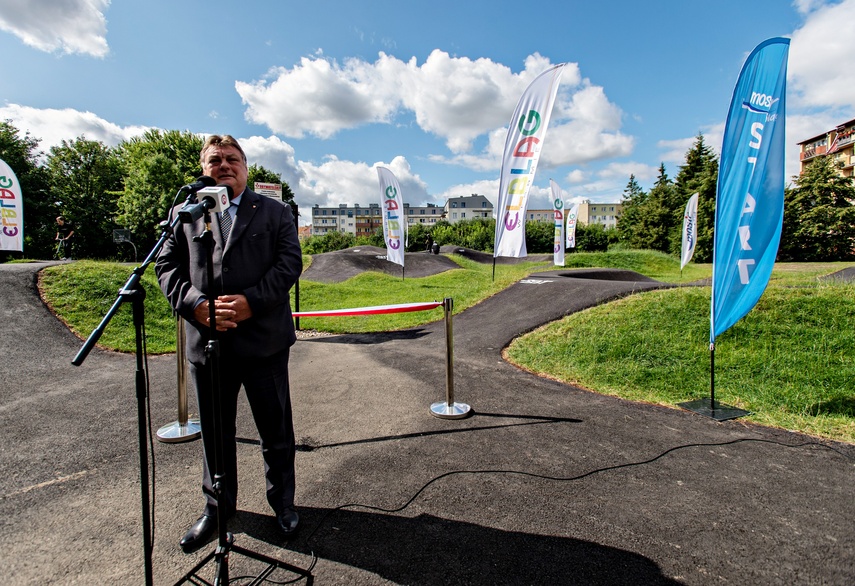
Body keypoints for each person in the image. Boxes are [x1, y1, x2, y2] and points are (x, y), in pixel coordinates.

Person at [155, 135, 303, 553]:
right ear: (204, 167)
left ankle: (283, 503)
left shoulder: (274, 211)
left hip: (264, 345)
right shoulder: (185, 213)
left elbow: (290, 263)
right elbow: (166, 267)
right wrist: (196, 305)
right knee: (215, 436)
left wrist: (251, 303)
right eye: (215, 160)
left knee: (275, 432)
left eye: (233, 159)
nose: (225, 165)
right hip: (208, 346)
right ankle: (217, 507)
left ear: (246, 166)